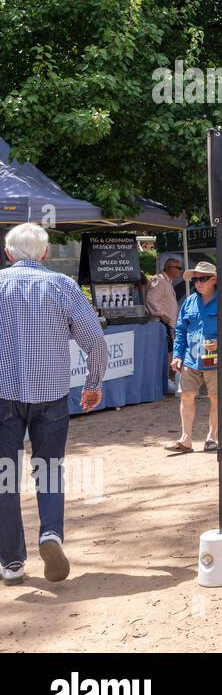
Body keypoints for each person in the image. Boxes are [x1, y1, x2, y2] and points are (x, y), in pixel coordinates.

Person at [0, 223, 106, 587]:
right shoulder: (62, 286)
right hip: (52, 396)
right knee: (49, 468)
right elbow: (96, 341)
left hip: (3, 396)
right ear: (45, 253)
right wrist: (92, 384)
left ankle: (12, 562)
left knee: (5, 477)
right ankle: (51, 534)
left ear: (8, 253)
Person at [167, 261, 222, 453]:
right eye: (195, 279)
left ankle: (212, 438)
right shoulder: (189, 301)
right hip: (191, 359)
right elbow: (181, 329)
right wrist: (177, 355)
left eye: (202, 278)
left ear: (214, 280)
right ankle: (185, 439)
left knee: (216, 398)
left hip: (216, 360)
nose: (198, 283)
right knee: (186, 396)